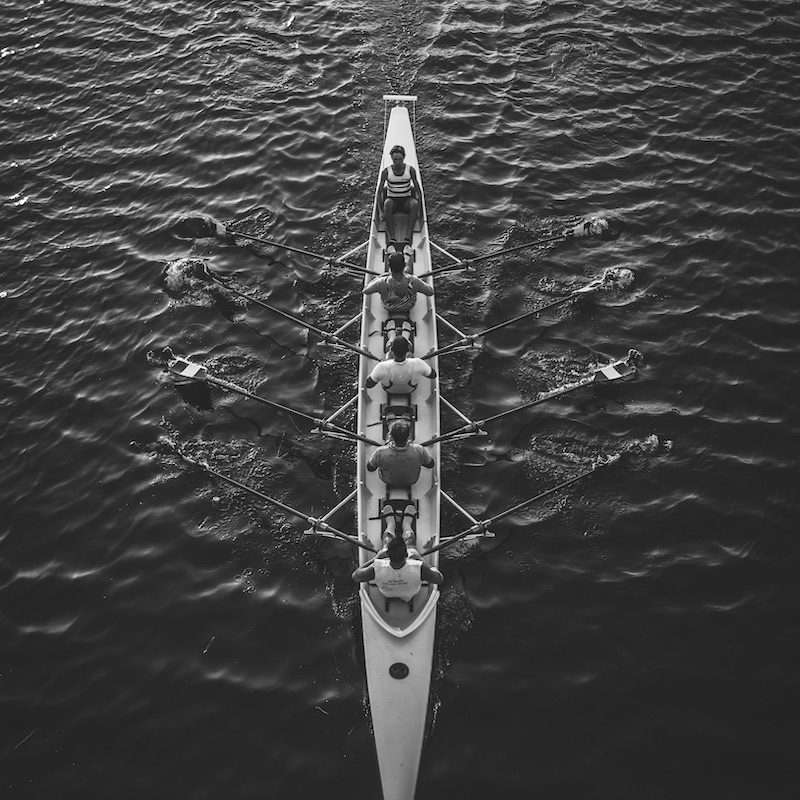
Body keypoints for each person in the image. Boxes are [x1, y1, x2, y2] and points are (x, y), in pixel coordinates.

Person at [351, 518, 443, 602]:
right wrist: (420, 559)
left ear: (388, 554)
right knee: (410, 542)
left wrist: (376, 558)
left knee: (387, 541)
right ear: (406, 555)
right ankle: (406, 524)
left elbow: (355, 576)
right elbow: (439, 579)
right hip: (410, 595)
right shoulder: (419, 567)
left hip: (387, 594)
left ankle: (391, 524)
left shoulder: (377, 567)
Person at [363, 251, 433, 318]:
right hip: (408, 306)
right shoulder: (414, 280)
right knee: (408, 270)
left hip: (389, 307)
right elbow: (430, 292)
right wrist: (418, 282)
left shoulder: (381, 282)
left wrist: (380, 277)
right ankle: (408, 256)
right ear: (404, 265)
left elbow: (365, 290)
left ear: (389, 266)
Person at [377, 145, 421, 247]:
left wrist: (418, 210)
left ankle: (408, 238)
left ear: (404, 158)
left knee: (414, 204)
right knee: (387, 203)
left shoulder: (410, 170)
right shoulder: (386, 172)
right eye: (395, 159)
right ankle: (392, 238)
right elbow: (379, 193)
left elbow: (418, 191)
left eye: (400, 159)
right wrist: (380, 211)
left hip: (406, 201)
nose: (398, 162)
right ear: (392, 158)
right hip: (392, 201)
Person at [367, 419, 434, 487]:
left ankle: (390, 421)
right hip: (412, 481)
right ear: (408, 437)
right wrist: (419, 459)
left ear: (391, 437)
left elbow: (370, 468)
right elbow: (430, 464)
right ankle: (406, 419)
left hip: (387, 480)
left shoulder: (379, 452)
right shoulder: (419, 450)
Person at [365, 336, 436, 394]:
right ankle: (406, 335)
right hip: (410, 390)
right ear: (408, 350)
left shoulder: (381, 367)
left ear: (391, 350)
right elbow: (433, 375)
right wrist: (421, 366)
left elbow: (368, 385)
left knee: (388, 355)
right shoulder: (418, 363)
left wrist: (382, 365)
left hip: (389, 390)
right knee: (411, 356)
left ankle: (391, 336)